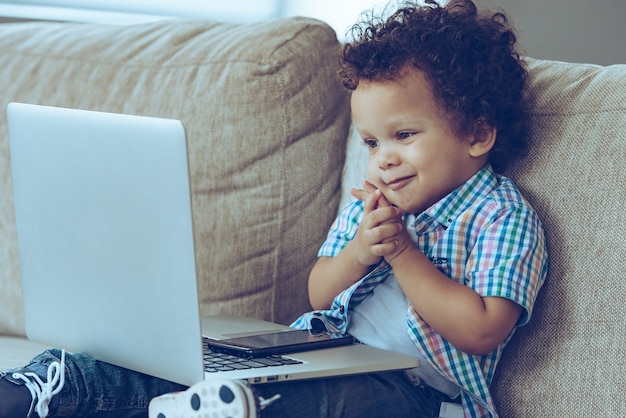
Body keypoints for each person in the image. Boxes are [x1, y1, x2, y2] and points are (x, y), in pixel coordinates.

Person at [0, 1, 548, 417]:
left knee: (317, 398)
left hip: (418, 390)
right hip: (323, 352)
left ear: (477, 133)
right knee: (184, 360)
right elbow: (320, 294)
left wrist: (402, 254)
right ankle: (55, 386)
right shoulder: (373, 206)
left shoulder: (502, 216)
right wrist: (361, 251)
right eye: (373, 143)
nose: (383, 160)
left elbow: (482, 330)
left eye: (404, 135)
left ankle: (221, 405)